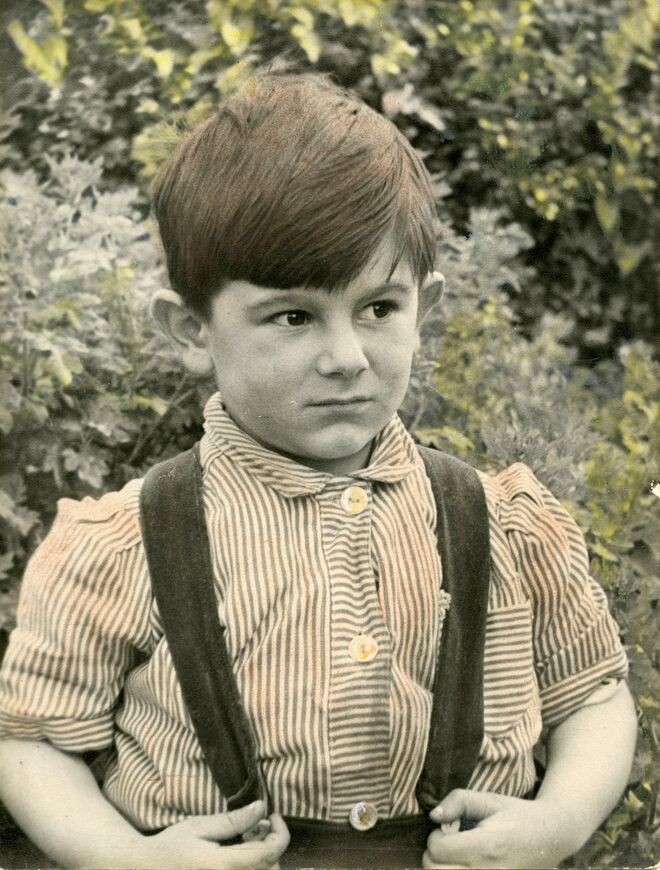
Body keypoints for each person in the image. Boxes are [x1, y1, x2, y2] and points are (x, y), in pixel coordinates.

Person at [0, 73, 636, 870]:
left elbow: (595, 696)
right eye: (293, 317)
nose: (346, 358)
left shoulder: (502, 522)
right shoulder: (126, 545)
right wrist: (130, 858)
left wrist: (559, 822)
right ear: (190, 330)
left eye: (378, 309)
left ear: (424, 305)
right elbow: (32, 745)